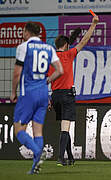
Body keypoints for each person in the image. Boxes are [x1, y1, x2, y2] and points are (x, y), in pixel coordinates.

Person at [10, 22, 63, 174]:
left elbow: (16, 73)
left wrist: (13, 92)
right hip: (43, 93)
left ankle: (37, 152)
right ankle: (35, 168)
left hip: (29, 94)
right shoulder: (48, 48)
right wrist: (47, 80)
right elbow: (60, 70)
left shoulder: (23, 47)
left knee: (19, 129)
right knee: (37, 131)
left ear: (27, 32)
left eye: (23, 32)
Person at [47, 15, 99, 166]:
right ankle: (60, 157)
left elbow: (47, 79)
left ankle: (70, 157)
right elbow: (84, 41)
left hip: (55, 96)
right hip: (67, 95)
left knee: (64, 126)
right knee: (65, 127)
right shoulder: (69, 55)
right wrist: (94, 24)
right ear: (66, 45)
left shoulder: (50, 58)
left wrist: (49, 99)